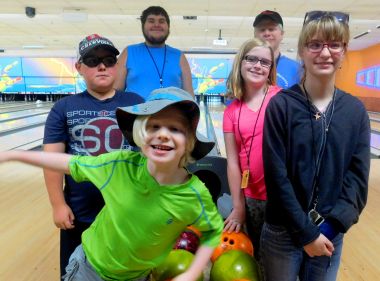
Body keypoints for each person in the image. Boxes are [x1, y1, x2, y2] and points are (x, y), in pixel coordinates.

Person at [1, 87, 223, 281]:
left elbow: (212, 232)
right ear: (141, 136)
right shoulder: (119, 165)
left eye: (175, 129)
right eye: (154, 127)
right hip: (88, 268)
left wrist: (192, 272)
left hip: (136, 276)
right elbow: (68, 162)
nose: (163, 135)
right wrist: (15, 155)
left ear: (189, 142)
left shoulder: (194, 194)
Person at [261, 11, 370, 281]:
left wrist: (329, 230)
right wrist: (307, 233)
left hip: (329, 234)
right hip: (283, 233)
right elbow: (277, 177)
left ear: (344, 50)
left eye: (334, 44)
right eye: (315, 44)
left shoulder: (355, 111)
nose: (325, 52)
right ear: (302, 50)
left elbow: (357, 181)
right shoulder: (281, 106)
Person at [43, 33, 144, 277]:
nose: (102, 65)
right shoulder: (63, 108)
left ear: (117, 66)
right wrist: (58, 204)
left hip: (127, 212)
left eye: (109, 60)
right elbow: (52, 162)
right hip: (79, 213)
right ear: (79, 67)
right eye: (92, 60)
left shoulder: (136, 103)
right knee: (75, 273)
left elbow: (149, 155)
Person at [223, 38, 281, 261]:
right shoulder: (231, 112)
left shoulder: (282, 99)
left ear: (270, 69)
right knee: (258, 258)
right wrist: (238, 206)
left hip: (281, 198)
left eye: (265, 62)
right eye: (252, 59)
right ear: (241, 62)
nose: (258, 65)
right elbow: (233, 162)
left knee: (281, 263)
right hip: (251, 199)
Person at [114, 6, 194, 99]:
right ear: (143, 26)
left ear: (168, 27)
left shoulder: (179, 56)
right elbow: (116, 93)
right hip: (137, 113)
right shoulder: (128, 52)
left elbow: (189, 96)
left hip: (172, 113)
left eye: (162, 21)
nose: (157, 25)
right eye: (151, 21)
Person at [253, 10, 301, 88]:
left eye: (271, 29)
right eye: (262, 29)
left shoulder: (297, 69)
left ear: (282, 34)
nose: (267, 33)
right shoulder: (245, 67)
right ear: (255, 35)